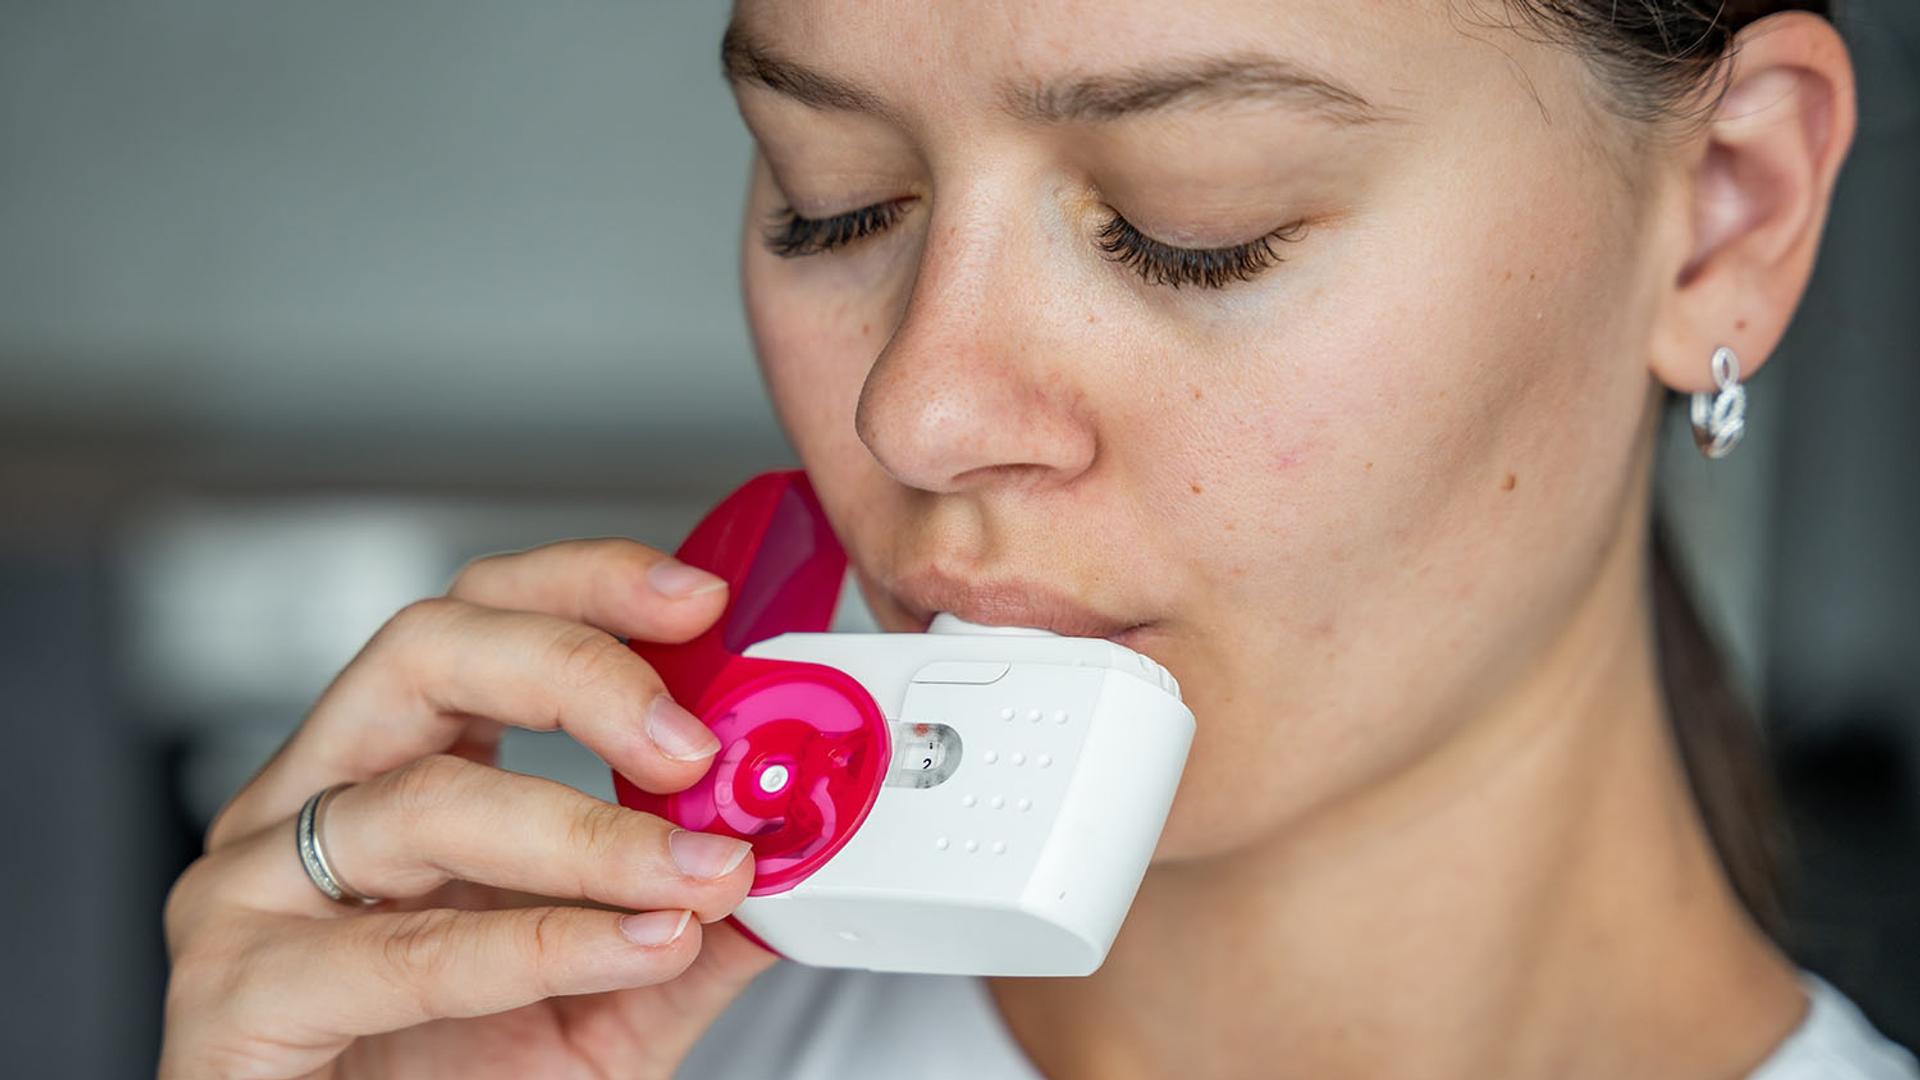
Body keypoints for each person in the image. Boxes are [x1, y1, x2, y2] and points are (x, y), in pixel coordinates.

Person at [159, 1, 1920, 1077]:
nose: (915, 411)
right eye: (829, 198)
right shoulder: (525, 1057)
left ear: (1723, 219)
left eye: (1190, 231)